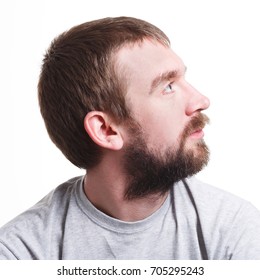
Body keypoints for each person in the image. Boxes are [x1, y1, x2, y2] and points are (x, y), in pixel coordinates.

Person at [1, 16, 260, 260]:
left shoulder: (233, 229)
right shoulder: (22, 252)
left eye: (183, 79)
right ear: (106, 130)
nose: (201, 101)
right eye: (167, 87)